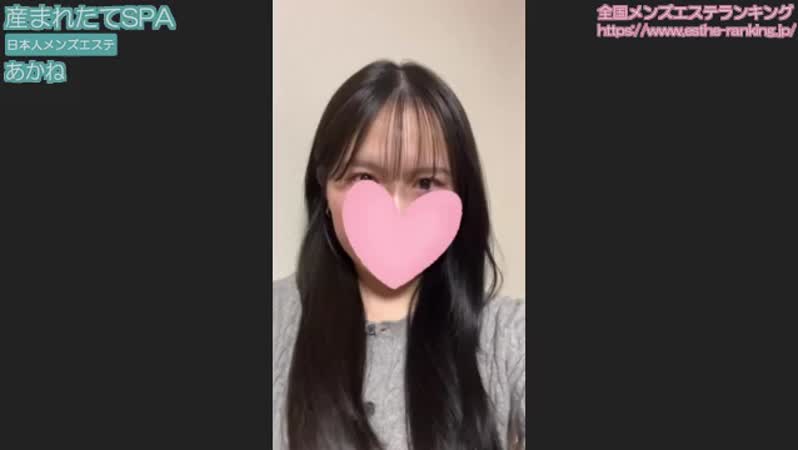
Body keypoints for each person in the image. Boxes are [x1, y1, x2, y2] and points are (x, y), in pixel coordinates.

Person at [272, 60, 525, 450]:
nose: (396, 209)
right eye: (364, 177)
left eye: (425, 182)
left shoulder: (506, 333)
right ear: (325, 189)